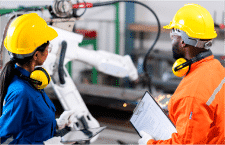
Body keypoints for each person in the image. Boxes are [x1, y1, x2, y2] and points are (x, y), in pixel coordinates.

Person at [138, 3, 225, 145]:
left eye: (173, 35)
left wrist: (149, 143)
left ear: (183, 41)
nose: (172, 40)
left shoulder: (193, 94)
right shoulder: (217, 68)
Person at [0, 13, 76, 145]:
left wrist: (57, 125)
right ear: (36, 54)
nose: (48, 51)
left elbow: (31, 124)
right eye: (48, 48)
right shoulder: (21, 92)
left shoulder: (32, 82)